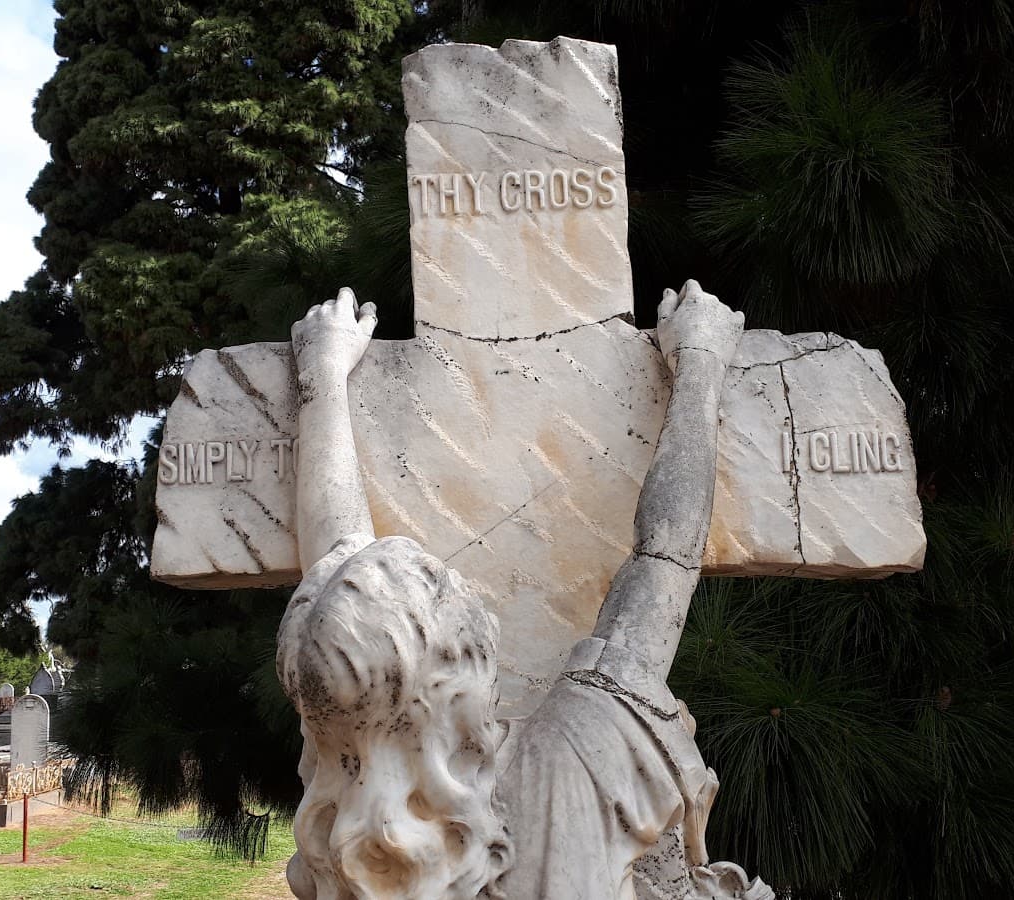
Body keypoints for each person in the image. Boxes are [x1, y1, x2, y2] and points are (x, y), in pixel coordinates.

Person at [276, 284, 770, 900]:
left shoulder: (348, 814)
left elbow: (335, 556)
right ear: (456, 677)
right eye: (446, 588)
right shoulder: (568, 764)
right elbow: (663, 559)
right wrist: (700, 362)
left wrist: (322, 376)